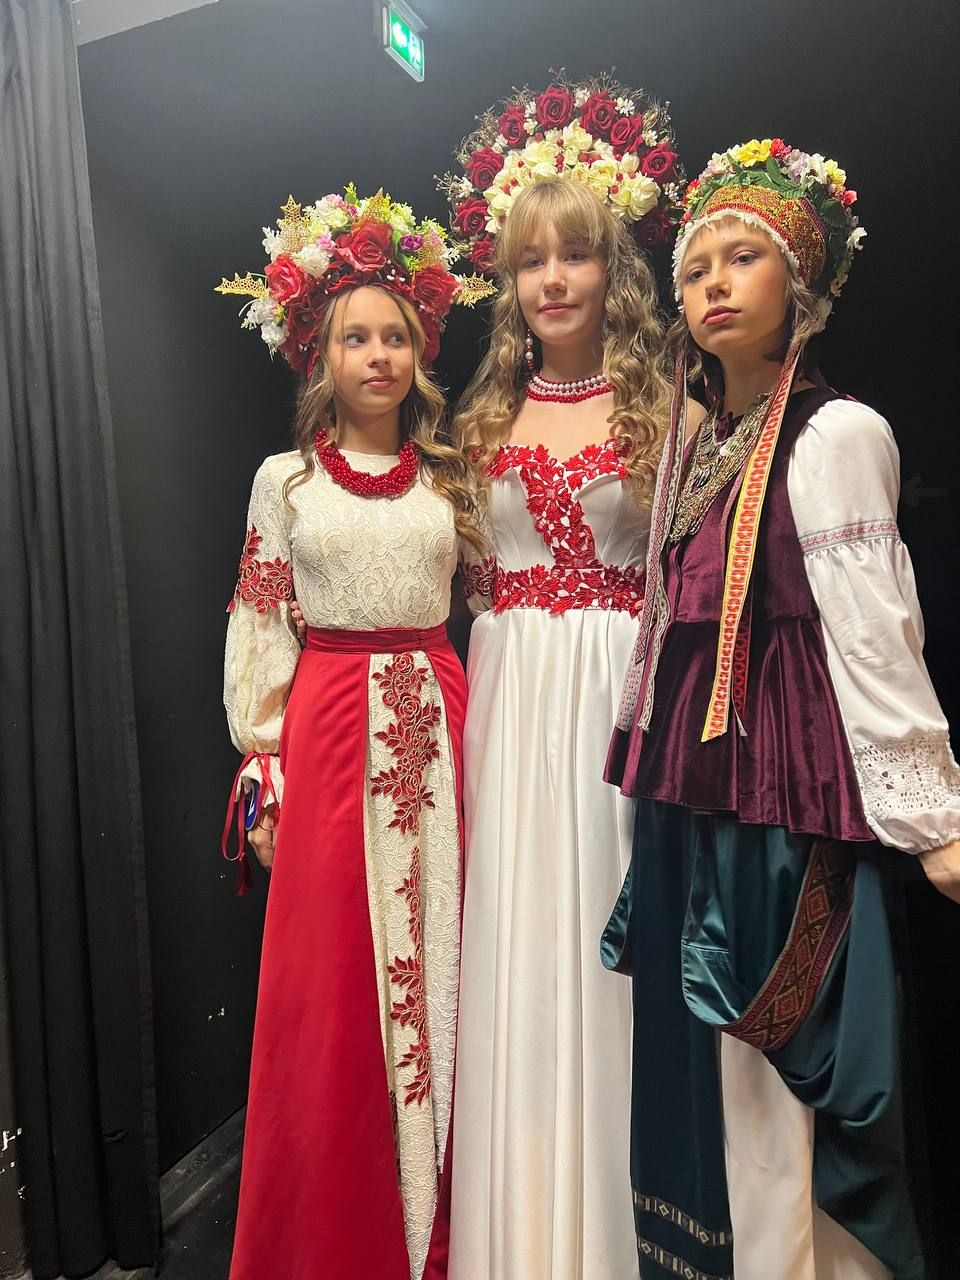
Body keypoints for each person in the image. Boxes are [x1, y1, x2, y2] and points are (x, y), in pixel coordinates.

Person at [605, 138, 960, 1279]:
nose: (713, 282)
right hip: (698, 795)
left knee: (780, 1078)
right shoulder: (705, 448)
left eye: (743, 257)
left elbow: (872, 628)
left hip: (782, 801)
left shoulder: (834, 433)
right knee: (714, 1079)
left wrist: (934, 818)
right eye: (695, 266)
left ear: (798, 279)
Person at [439, 78, 699, 1279]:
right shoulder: (480, 417)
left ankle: (615, 1232)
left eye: (576, 255)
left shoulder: (664, 408)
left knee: (606, 936)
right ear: (509, 278)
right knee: (518, 945)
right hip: (508, 704)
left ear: (614, 268)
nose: (554, 280)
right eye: (532, 259)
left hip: (612, 697)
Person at [216, 188, 488, 1280]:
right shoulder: (282, 483)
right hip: (328, 735)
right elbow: (258, 622)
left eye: (395, 337)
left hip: (441, 729)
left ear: (420, 351)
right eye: (355, 338)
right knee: (331, 988)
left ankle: (457, 1230)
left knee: (456, 960)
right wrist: (263, 765)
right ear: (318, 357)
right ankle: (339, 1239)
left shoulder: (452, 476)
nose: (377, 356)